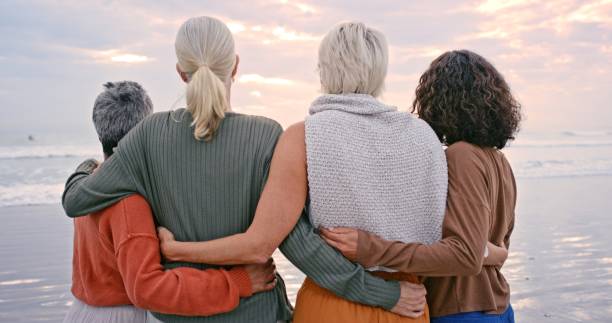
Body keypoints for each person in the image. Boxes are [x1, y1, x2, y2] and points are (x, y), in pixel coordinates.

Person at [62, 17, 415, 323]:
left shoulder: (148, 135)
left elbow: (77, 201)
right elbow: (301, 245)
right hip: (257, 312)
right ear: (234, 66)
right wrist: (383, 294)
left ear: (180, 72)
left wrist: (86, 167)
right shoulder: (266, 135)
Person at [156, 22, 471, 323]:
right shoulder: (424, 138)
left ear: (324, 69)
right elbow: (440, 241)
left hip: (331, 301)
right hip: (409, 303)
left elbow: (276, 237)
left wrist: (175, 249)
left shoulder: (302, 136)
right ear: (380, 71)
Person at [318, 50, 521, 323]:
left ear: (439, 101)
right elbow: (494, 249)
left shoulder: (461, 156)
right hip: (498, 308)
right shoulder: (500, 163)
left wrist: (371, 248)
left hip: (461, 310)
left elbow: (466, 254)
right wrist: (485, 251)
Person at [63, 81, 277, 323]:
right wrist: (238, 283)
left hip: (81, 312)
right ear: (144, 131)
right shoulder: (128, 203)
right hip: (124, 315)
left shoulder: (90, 186)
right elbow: (148, 289)